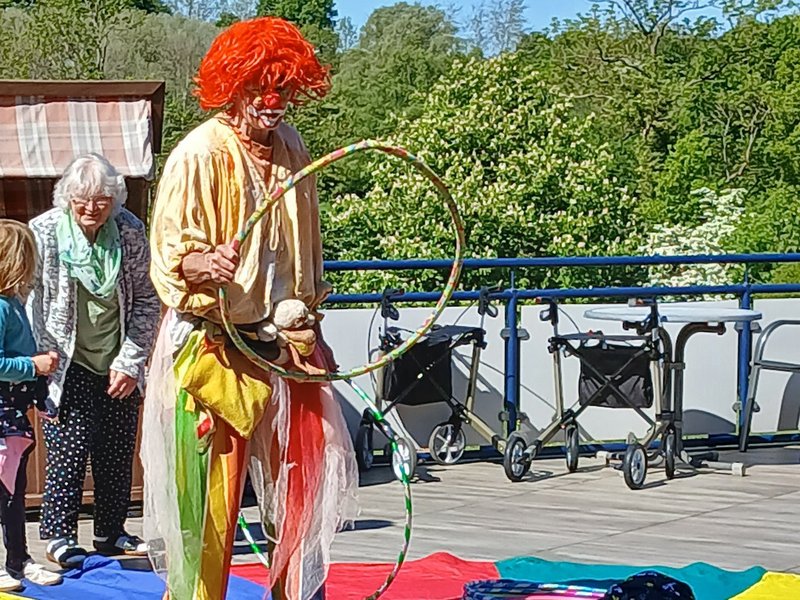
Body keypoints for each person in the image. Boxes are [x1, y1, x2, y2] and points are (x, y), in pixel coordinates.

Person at [144, 16, 358, 600]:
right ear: (231, 87)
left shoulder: (292, 147)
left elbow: (303, 252)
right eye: (259, 87)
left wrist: (309, 324)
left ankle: (298, 594)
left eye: (283, 88)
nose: (272, 100)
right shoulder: (198, 154)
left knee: (302, 487)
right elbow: (171, 259)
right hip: (215, 345)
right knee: (209, 502)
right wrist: (202, 264)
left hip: (286, 342)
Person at [27, 154, 161, 568]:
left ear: (114, 200)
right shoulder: (44, 232)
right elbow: (31, 297)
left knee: (117, 452)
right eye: (81, 199)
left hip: (116, 357)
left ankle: (111, 531)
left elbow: (147, 300)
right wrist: (39, 354)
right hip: (64, 360)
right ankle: (59, 536)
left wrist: (131, 360)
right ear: (66, 197)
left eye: (101, 200)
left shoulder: (130, 231)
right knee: (67, 451)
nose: (91, 208)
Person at [0, 220, 63, 591]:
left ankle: (19, 559)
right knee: (3, 490)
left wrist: (40, 392)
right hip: (2, 417)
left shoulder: (14, 304)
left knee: (14, 491)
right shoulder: (1, 308)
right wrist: (33, 366)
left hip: (15, 416)